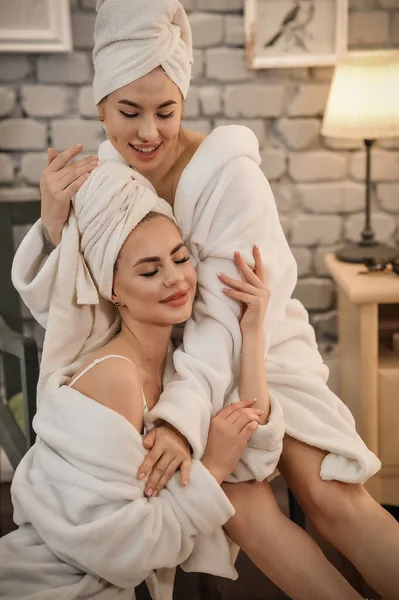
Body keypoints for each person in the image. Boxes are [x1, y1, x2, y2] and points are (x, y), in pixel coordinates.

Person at [11, 1, 399, 599]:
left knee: (327, 494)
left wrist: (178, 424)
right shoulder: (109, 174)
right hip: (171, 361)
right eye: (128, 112)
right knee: (239, 504)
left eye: (166, 112)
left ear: (185, 102)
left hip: (255, 343)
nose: (147, 133)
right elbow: (86, 292)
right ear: (99, 107)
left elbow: (224, 317)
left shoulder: (228, 175)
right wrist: (56, 226)